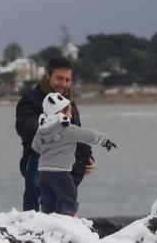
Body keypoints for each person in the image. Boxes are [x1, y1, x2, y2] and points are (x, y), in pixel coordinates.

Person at [15, 55, 96, 211]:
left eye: (67, 79)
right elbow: (26, 130)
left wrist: (87, 156)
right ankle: (30, 224)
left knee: (64, 215)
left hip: (68, 170)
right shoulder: (30, 101)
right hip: (39, 165)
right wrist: (57, 121)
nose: (64, 84)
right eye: (59, 78)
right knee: (38, 212)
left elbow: (76, 133)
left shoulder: (69, 103)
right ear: (47, 76)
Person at [31, 92, 116, 215]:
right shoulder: (67, 129)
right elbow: (87, 135)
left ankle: (47, 217)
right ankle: (67, 217)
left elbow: (36, 147)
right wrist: (105, 141)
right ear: (62, 113)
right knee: (69, 194)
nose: (71, 115)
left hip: (43, 172)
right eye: (70, 112)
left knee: (48, 199)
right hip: (60, 172)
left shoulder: (42, 130)